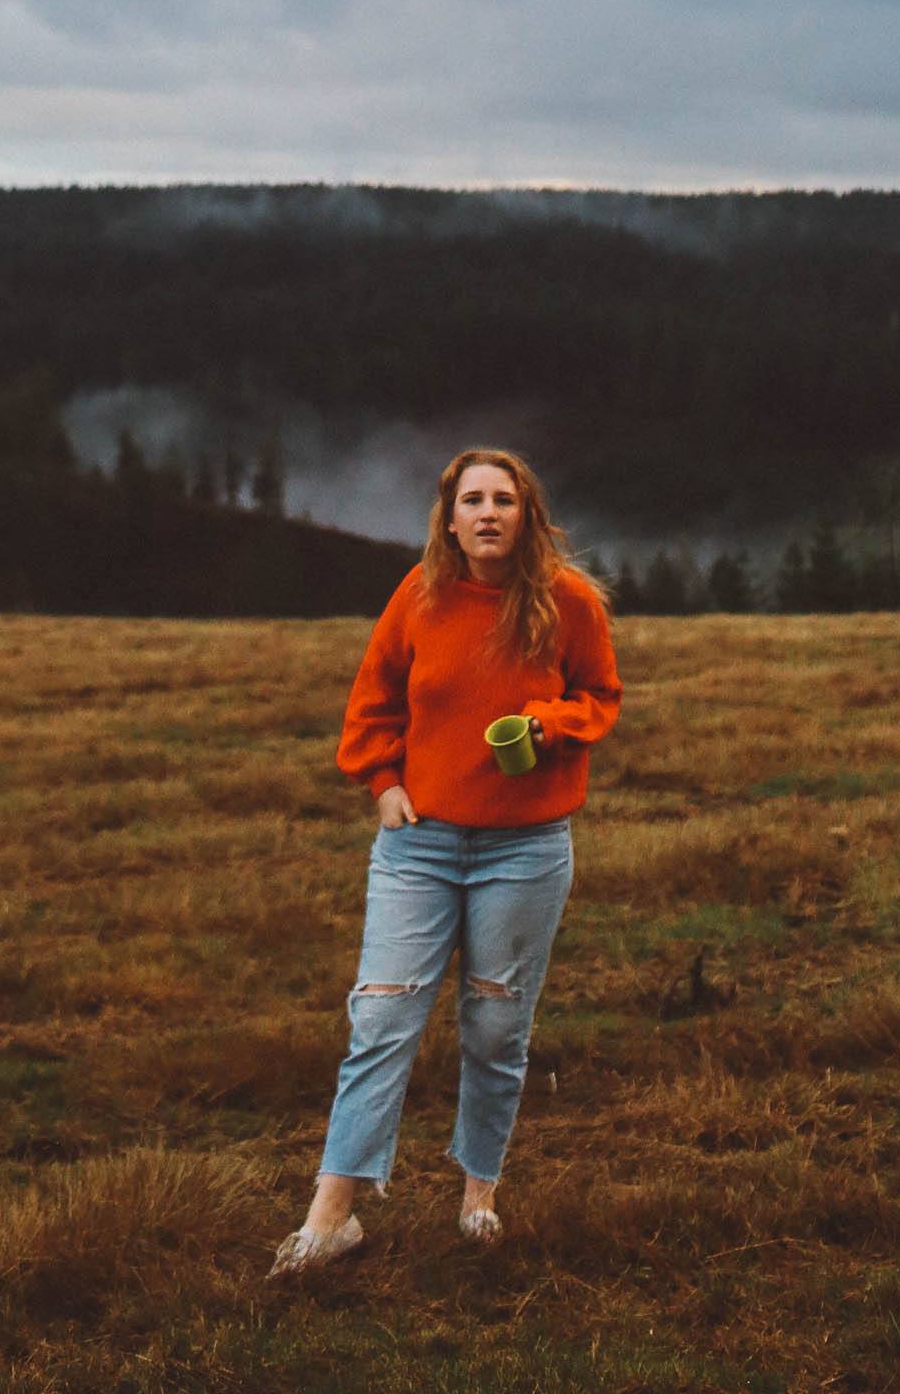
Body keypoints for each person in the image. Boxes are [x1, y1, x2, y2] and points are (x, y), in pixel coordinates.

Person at [269, 447, 622, 1274]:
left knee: (497, 1025)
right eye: (474, 500)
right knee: (382, 1017)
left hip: (526, 848)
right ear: (450, 517)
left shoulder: (566, 601)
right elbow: (374, 695)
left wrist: (548, 727)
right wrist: (383, 783)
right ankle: (331, 1216)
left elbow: (600, 696)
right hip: (417, 846)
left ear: (527, 514)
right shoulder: (420, 595)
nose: (489, 512)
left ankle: (478, 1192)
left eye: (505, 498)